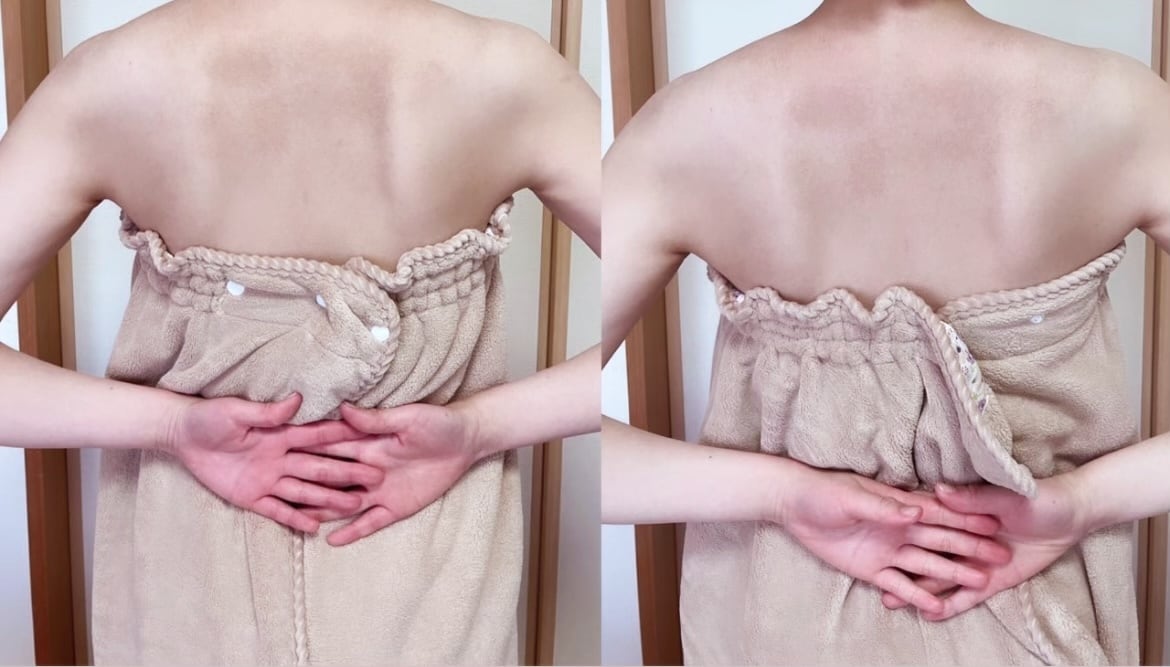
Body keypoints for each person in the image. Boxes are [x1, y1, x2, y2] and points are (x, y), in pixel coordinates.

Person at [0, 0, 599, 664]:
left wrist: (171, 425)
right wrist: (481, 427)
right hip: (425, 564)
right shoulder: (509, 76)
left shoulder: (113, 81)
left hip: (192, 571)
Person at [602, 0, 1169, 664]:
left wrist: (784, 494)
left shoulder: (687, 130)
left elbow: (575, 442)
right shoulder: (1119, 109)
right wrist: (1081, 503)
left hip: (779, 628)